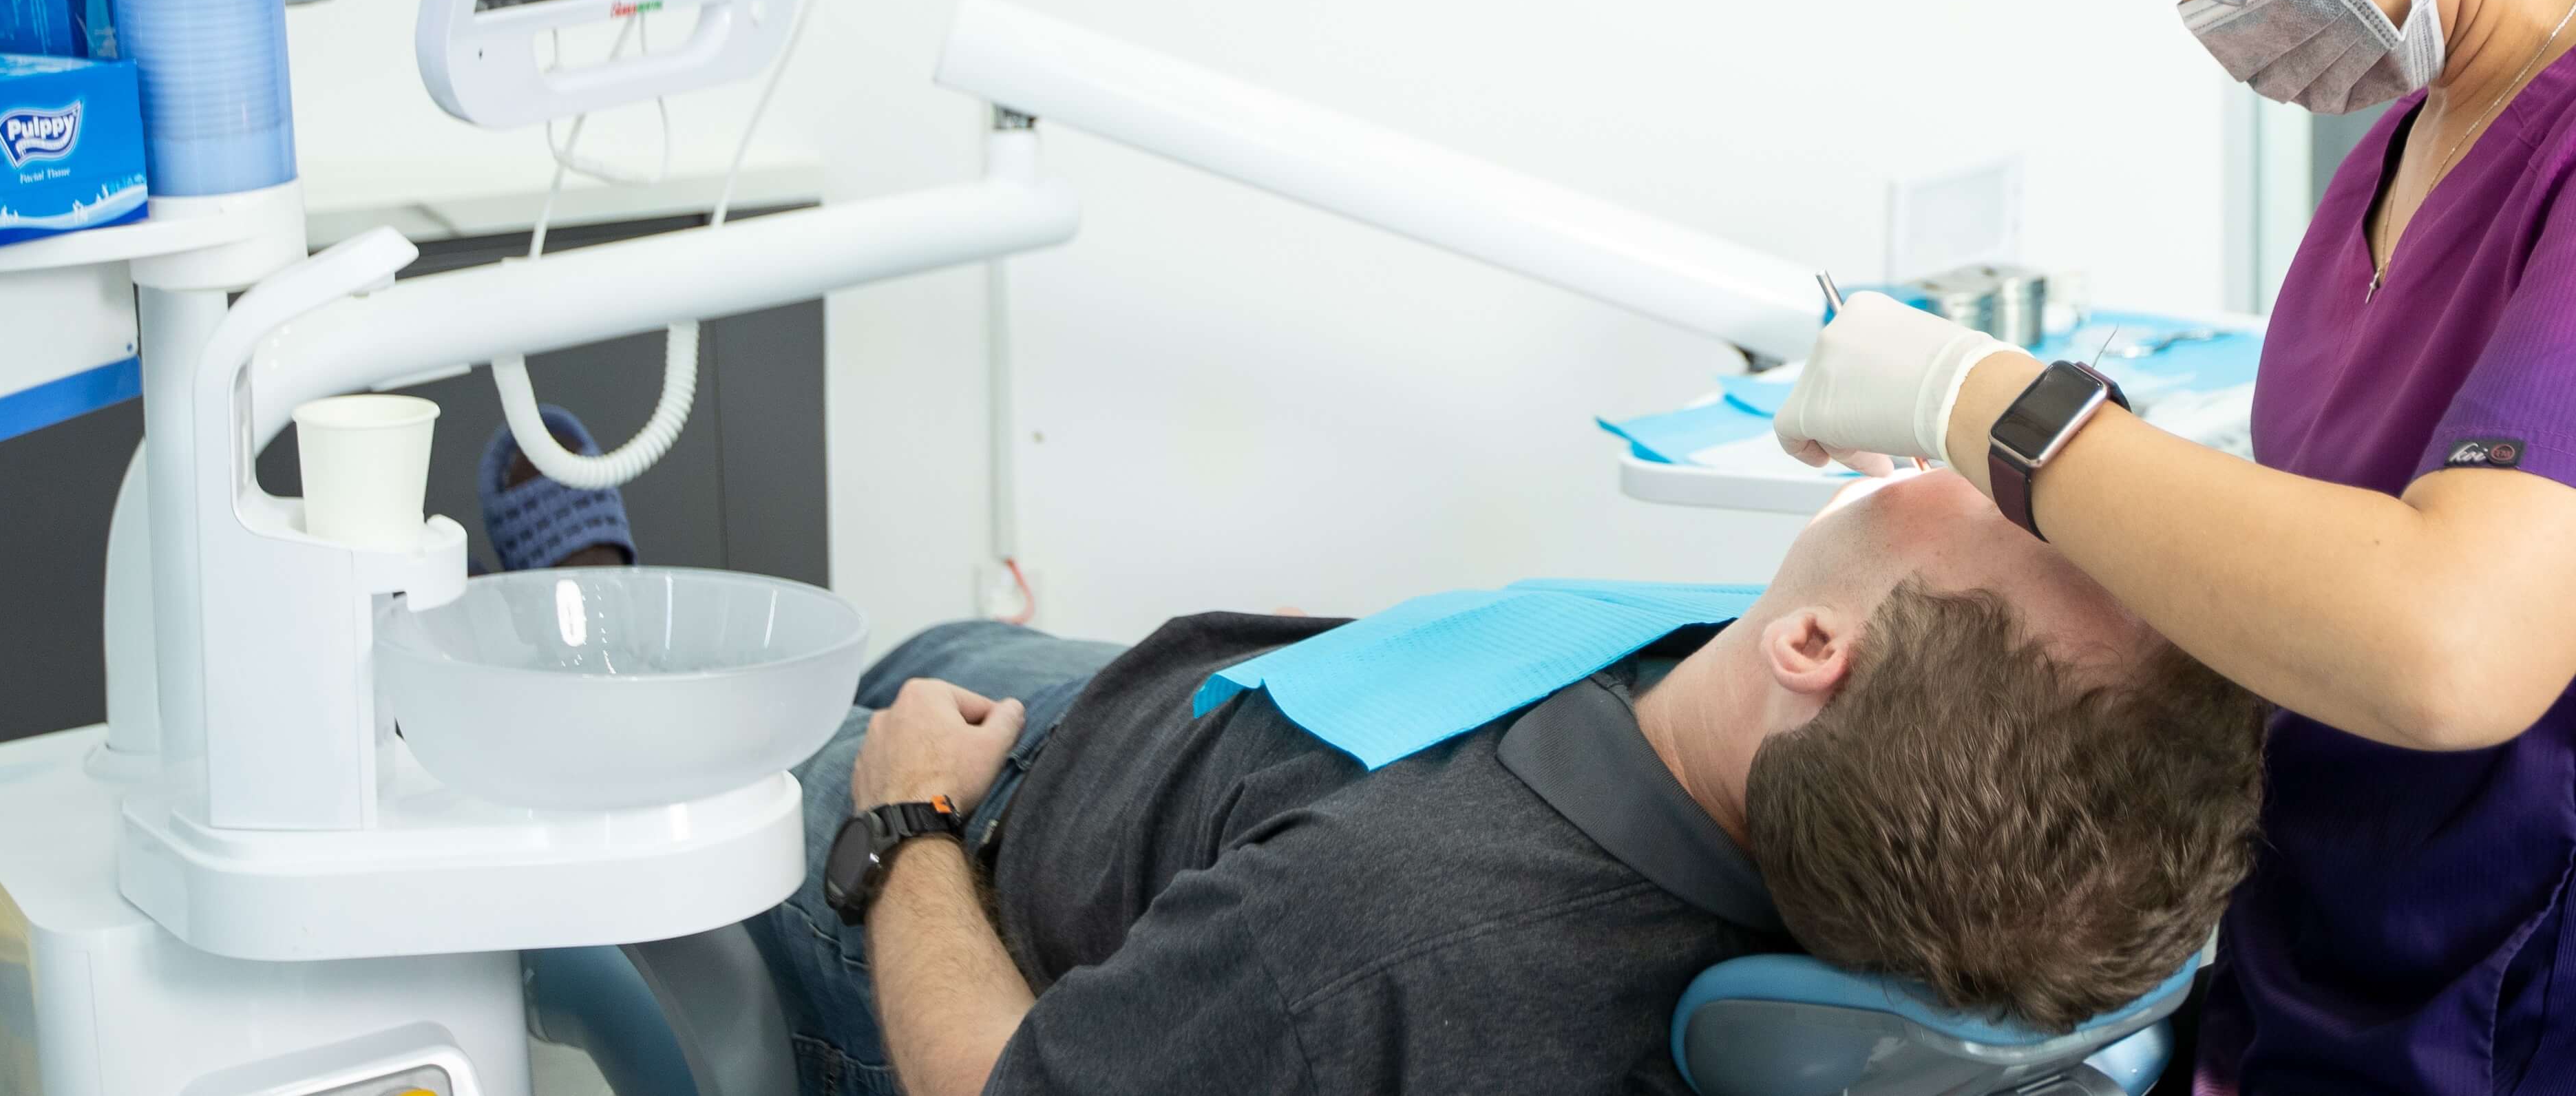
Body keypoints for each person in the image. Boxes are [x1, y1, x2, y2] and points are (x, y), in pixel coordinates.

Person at [1770, 0, 2576, 1095]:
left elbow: (2446, 643)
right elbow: (2347, 523)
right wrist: (2077, 497)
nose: (2207, 7)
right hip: (2326, 988)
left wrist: (1992, 409)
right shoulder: (2408, 138)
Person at [737, 470, 2262, 1096]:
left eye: (2036, 530)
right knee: (895, 638)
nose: (2055, 497)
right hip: (1167, 705)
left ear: (1812, 644)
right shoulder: (1860, 764)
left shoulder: (1378, 937)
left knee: (677, 773)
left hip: (983, 869)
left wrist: (910, 820)